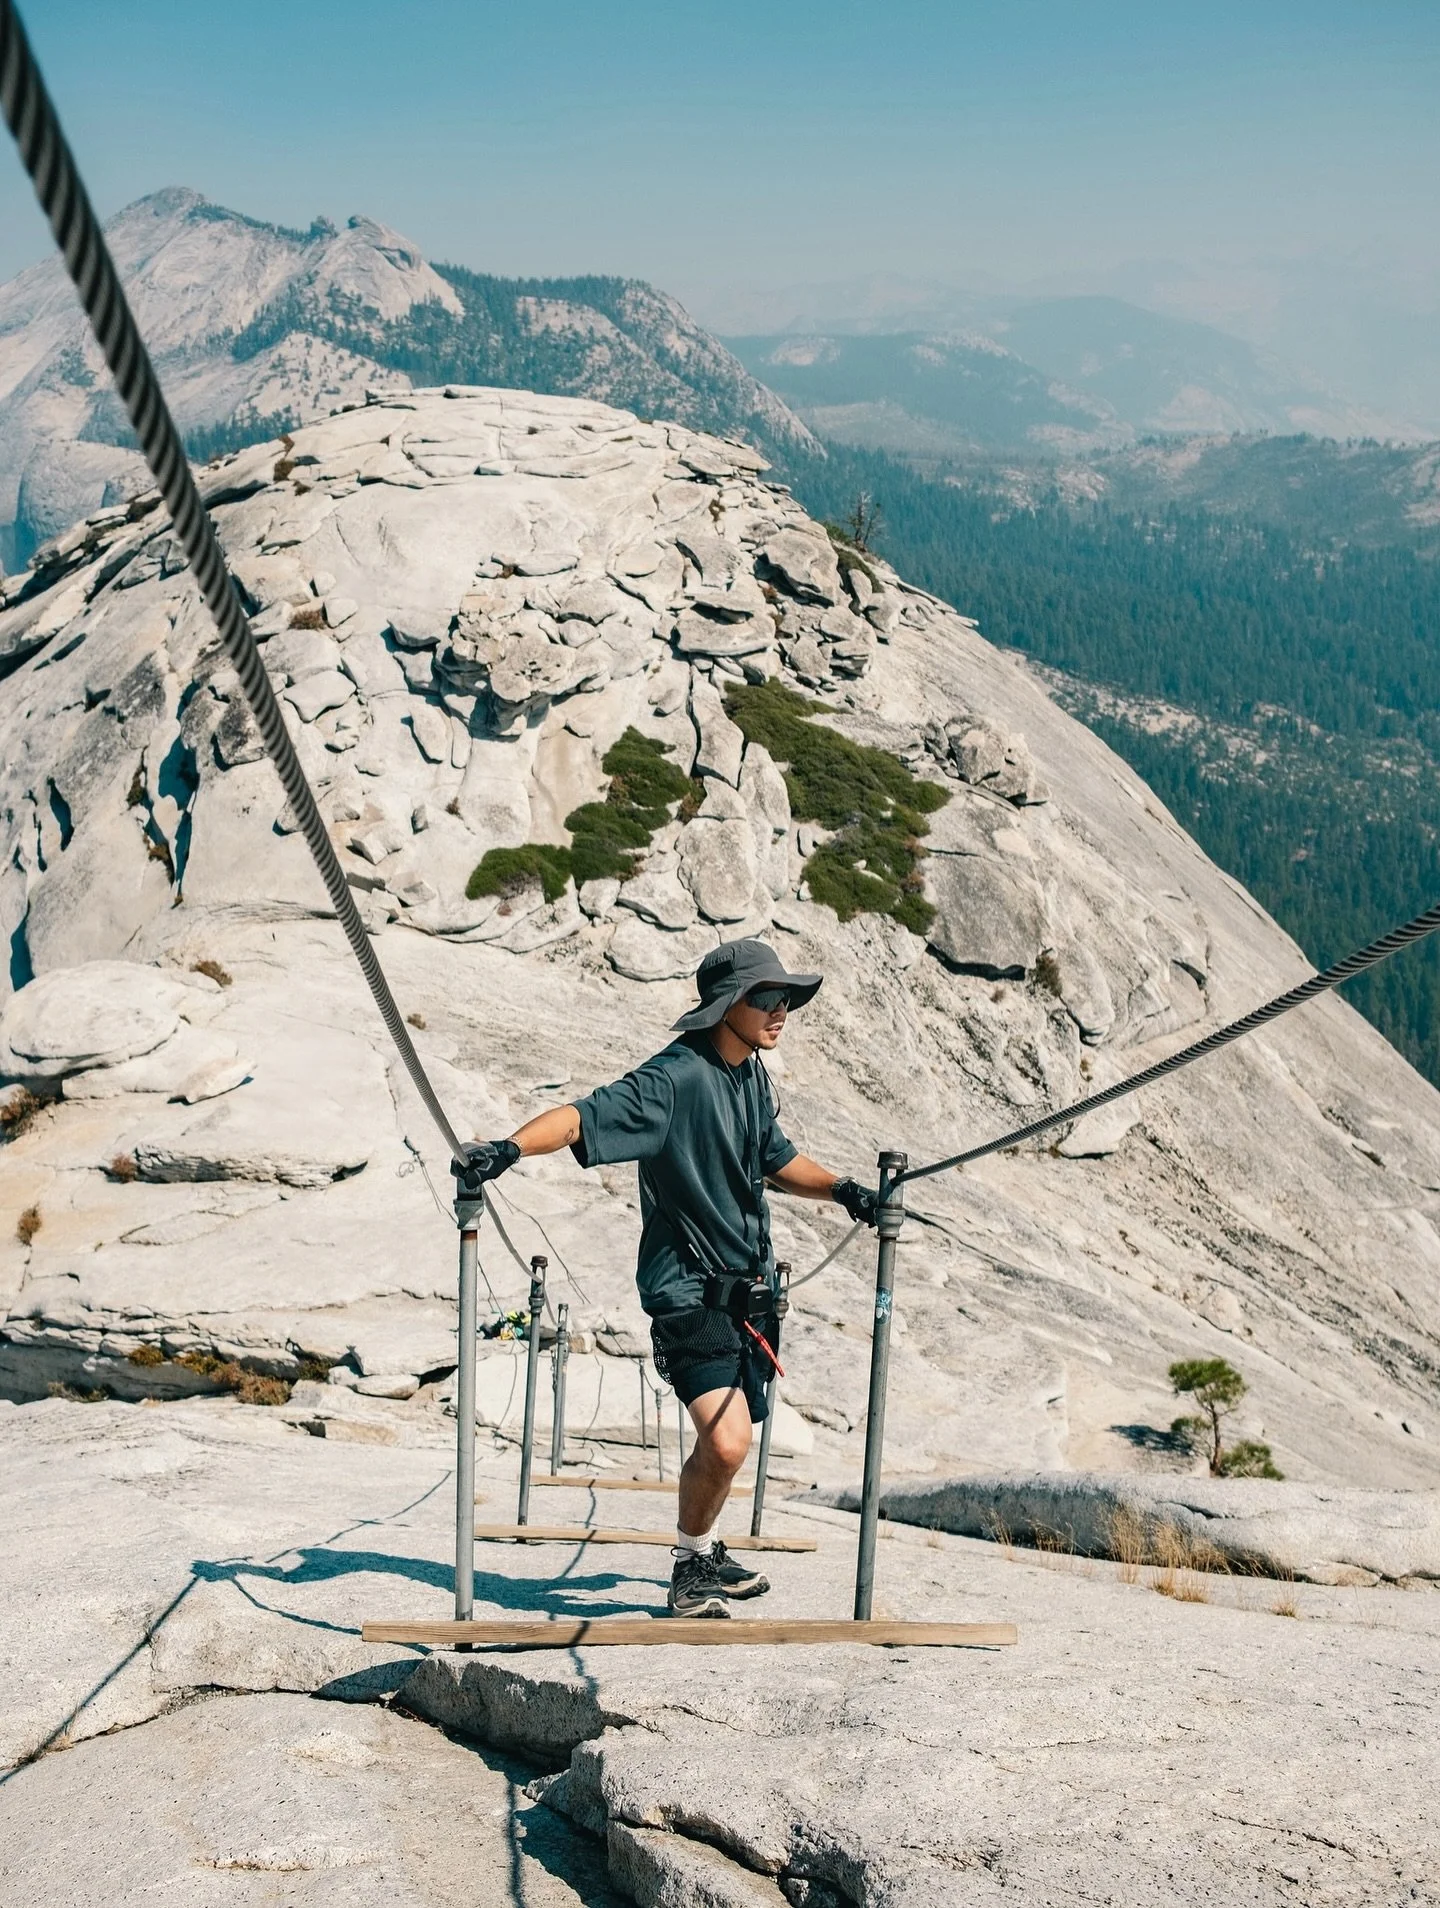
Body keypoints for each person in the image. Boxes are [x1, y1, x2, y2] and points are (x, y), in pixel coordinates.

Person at [460, 937, 880, 1617]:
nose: (781, 1010)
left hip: (744, 1297)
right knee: (728, 1440)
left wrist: (844, 1190)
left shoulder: (749, 1074)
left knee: (730, 1443)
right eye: (766, 997)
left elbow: (776, 1159)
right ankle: (688, 1571)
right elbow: (581, 1119)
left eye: (786, 998)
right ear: (726, 1005)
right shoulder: (673, 1079)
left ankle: (703, 1550)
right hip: (688, 1292)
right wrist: (507, 1148)